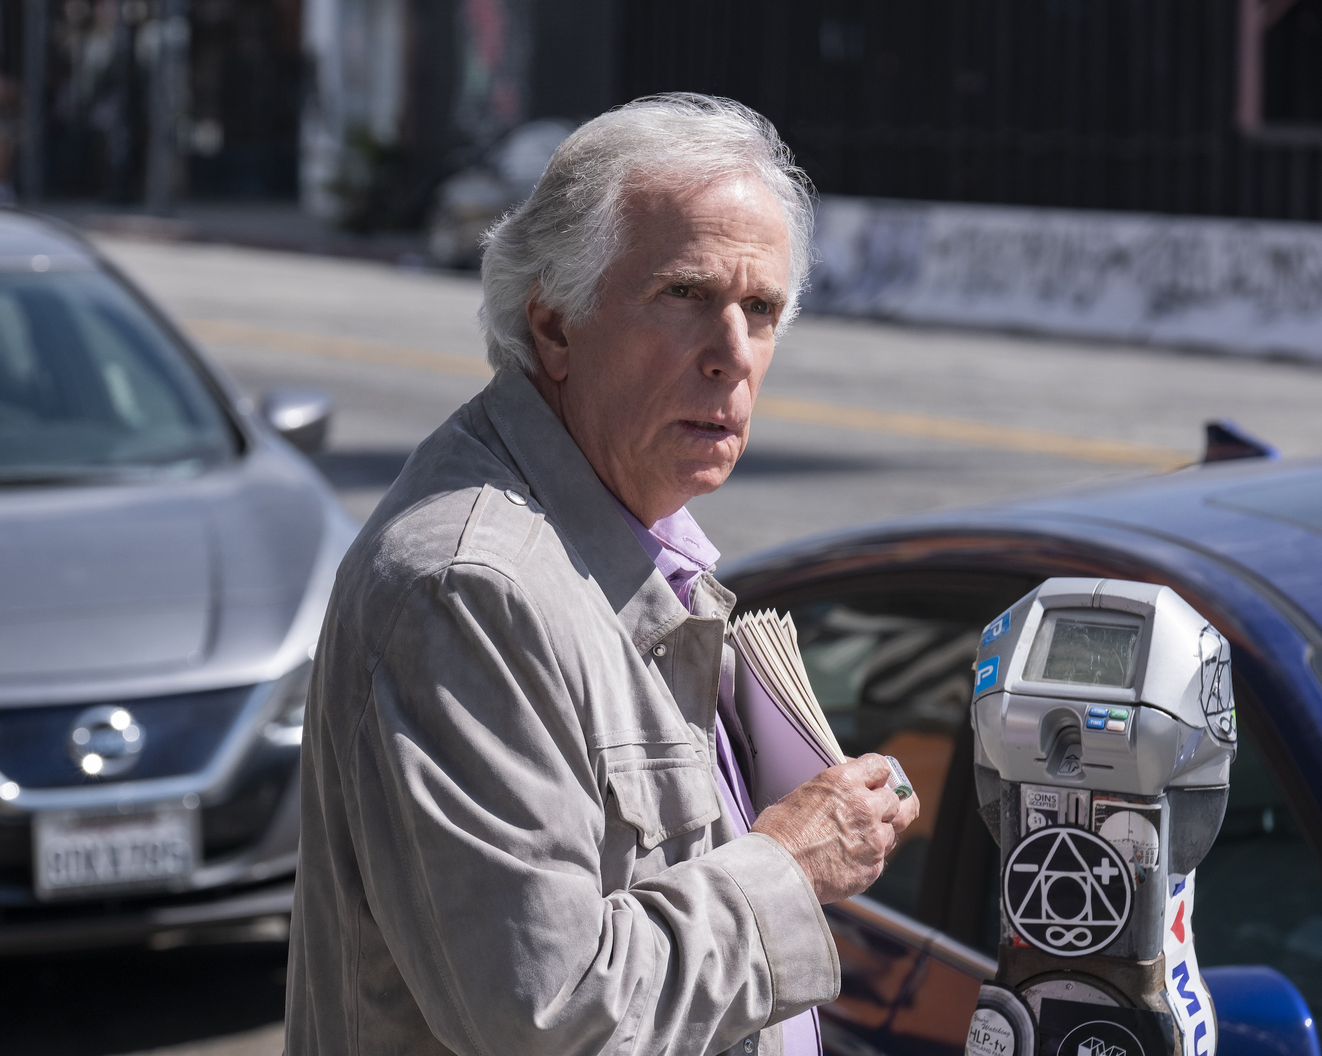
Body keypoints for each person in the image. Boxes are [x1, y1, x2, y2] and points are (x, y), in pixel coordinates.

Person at [285, 93, 919, 1056]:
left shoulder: (637, 533)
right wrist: (788, 865)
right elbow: (551, 1016)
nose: (733, 356)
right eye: (685, 295)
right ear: (553, 326)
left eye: (760, 310)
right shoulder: (470, 591)